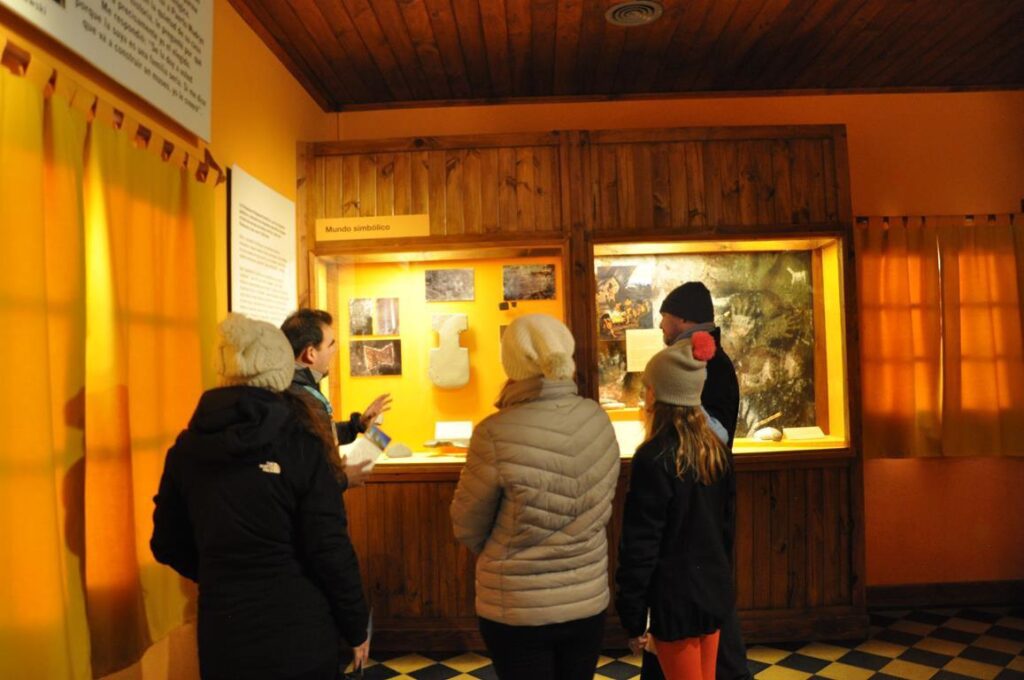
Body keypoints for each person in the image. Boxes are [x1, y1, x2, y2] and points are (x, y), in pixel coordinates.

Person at [151, 313, 370, 680]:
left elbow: (167, 543)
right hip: (300, 628)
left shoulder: (187, 449)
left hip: (225, 631)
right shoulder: (300, 443)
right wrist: (355, 624)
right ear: (279, 370)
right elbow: (328, 547)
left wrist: (221, 573)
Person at [450, 314, 621, 680]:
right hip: (586, 600)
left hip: (517, 606)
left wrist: (509, 551)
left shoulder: (494, 433)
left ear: (511, 364)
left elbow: (467, 526)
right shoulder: (597, 419)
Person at [616, 332, 735, 680]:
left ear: (657, 395)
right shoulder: (715, 452)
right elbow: (726, 528)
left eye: (647, 388)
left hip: (674, 601)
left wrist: (633, 617)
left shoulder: (653, 458)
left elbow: (641, 545)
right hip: (712, 592)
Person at [652, 281, 747, 680]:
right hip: (703, 498)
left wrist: (681, 408)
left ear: (683, 319)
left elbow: (718, 433)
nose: (661, 326)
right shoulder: (705, 360)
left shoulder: (710, 364)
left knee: (709, 604)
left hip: (701, 500)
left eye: (665, 318)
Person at [281, 308, 392, 490]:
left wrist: (357, 425)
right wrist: (344, 479)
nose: (335, 350)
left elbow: (320, 434)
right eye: (331, 344)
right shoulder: (299, 398)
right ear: (311, 353)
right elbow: (306, 477)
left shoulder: (299, 389)